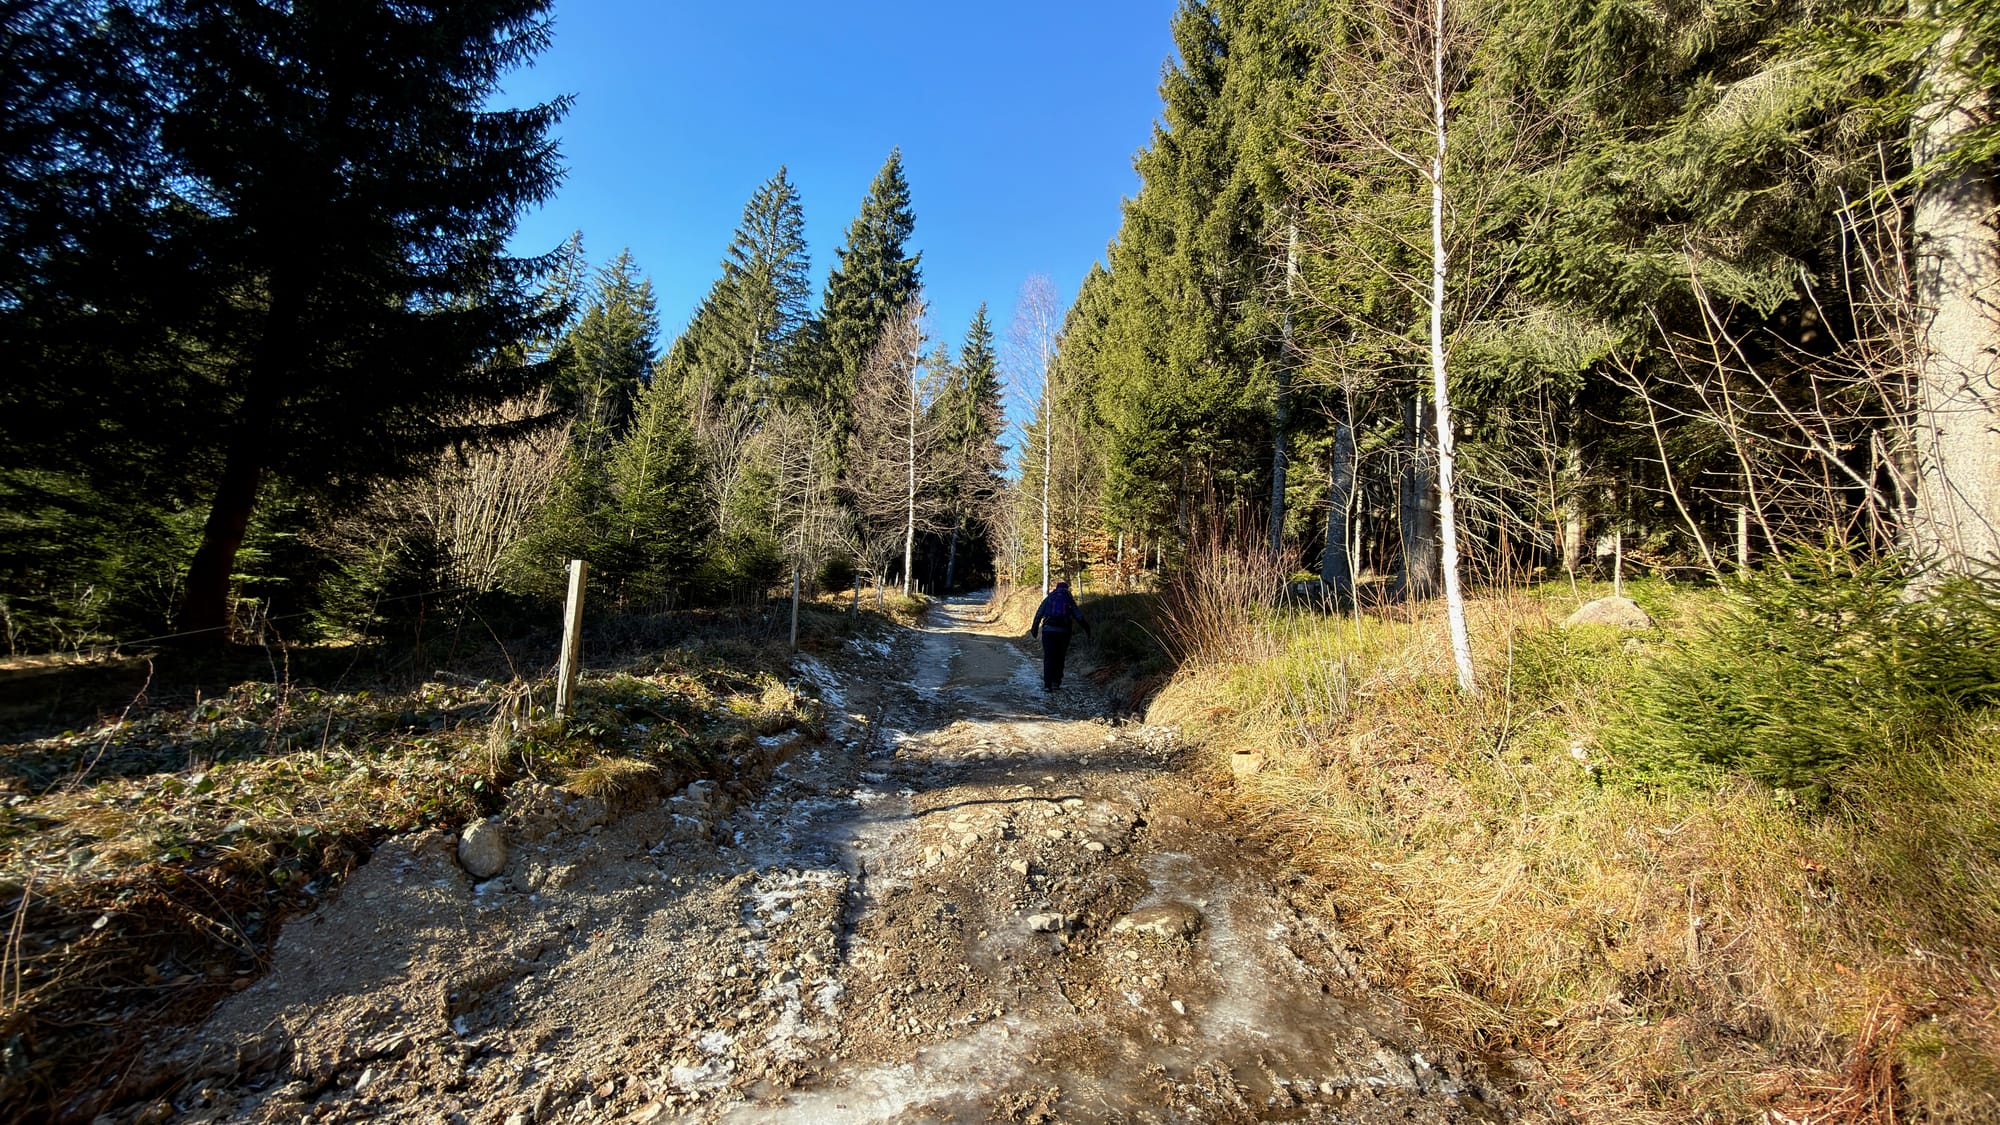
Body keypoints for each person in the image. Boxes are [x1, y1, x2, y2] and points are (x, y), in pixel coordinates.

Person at [1029, 580, 1090, 693]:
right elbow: (1078, 616)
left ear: (1056, 588)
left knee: (1049, 658)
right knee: (1060, 657)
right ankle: (1056, 682)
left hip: (1048, 632)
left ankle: (1047, 685)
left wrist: (1034, 629)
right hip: (1063, 633)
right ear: (1067, 589)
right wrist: (1087, 629)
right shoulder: (1068, 599)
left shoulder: (1049, 598)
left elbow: (1039, 614)